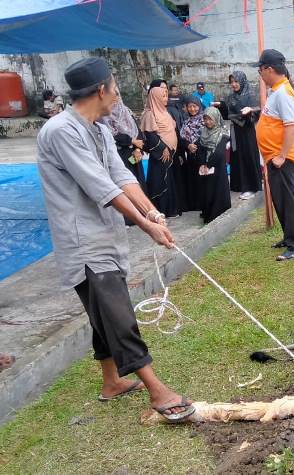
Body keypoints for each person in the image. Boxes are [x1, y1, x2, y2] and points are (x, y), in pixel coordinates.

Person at [36, 57, 194, 422]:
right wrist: (144, 225)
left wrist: (152, 213)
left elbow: (121, 175)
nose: (118, 96)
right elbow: (100, 186)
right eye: (115, 88)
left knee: (103, 314)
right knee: (118, 315)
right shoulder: (61, 130)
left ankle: (112, 382)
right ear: (99, 91)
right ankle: (157, 390)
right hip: (83, 243)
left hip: (105, 235)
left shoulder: (99, 130)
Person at [256, 49, 294, 261]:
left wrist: (282, 155)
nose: (260, 74)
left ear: (269, 69)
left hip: (281, 158)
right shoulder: (276, 91)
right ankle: (288, 237)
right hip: (273, 157)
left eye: (260, 70)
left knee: (287, 200)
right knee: (279, 199)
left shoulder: (284, 93)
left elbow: (292, 126)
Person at [221, 71, 262, 200]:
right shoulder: (231, 97)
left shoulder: (250, 95)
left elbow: (258, 112)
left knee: (248, 156)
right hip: (236, 131)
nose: (234, 84)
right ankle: (239, 185)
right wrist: (221, 106)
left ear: (242, 81)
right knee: (237, 157)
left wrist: (248, 113)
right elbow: (227, 114)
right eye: (231, 82)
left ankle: (251, 186)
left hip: (248, 132)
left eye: (236, 81)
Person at [140, 85, 179, 218]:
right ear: (155, 98)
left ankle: (171, 209)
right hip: (161, 155)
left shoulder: (164, 111)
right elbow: (150, 135)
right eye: (163, 96)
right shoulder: (150, 114)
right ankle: (162, 209)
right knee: (161, 182)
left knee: (169, 181)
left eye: (166, 95)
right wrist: (163, 148)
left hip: (170, 153)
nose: (166, 98)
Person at [97, 97, 146, 196]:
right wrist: (131, 141)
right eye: (112, 94)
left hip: (134, 155)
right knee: (126, 187)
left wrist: (137, 149)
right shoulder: (103, 116)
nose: (115, 97)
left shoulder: (126, 111)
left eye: (117, 94)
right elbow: (111, 136)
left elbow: (137, 130)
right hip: (120, 156)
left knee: (139, 186)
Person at [196, 106, 231, 224]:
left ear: (216, 118)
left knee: (218, 189)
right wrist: (202, 164)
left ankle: (218, 213)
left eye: (210, 119)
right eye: (205, 119)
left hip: (217, 165)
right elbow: (200, 149)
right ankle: (208, 213)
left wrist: (208, 165)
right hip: (206, 166)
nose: (207, 122)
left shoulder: (223, 133)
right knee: (207, 189)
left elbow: (220, 152)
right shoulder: (203, 131)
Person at [178, 95, 206, 213]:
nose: (192, 109)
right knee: (192, 179)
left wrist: (196, 145)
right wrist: (188, 145)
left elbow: (206, 135)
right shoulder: (186, 122)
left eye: (195, 106)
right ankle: (194, 204)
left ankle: (203, 203)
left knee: (202, 179)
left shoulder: (205, 120)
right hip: (190, 155)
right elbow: (182, 139)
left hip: (202, 154)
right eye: (190, 107)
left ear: (199, 106)